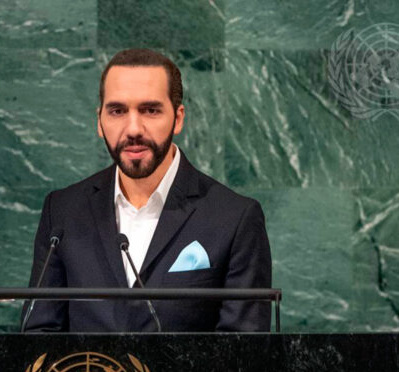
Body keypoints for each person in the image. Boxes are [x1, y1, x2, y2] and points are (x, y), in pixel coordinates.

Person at [22, 48, 272, 332]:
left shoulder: (235, 217)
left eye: (150, 110)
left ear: (178, 119)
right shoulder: (63, 211)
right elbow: (39, 335)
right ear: (99, 121)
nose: (133, 129)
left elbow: (243, 353)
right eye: (117, 111)